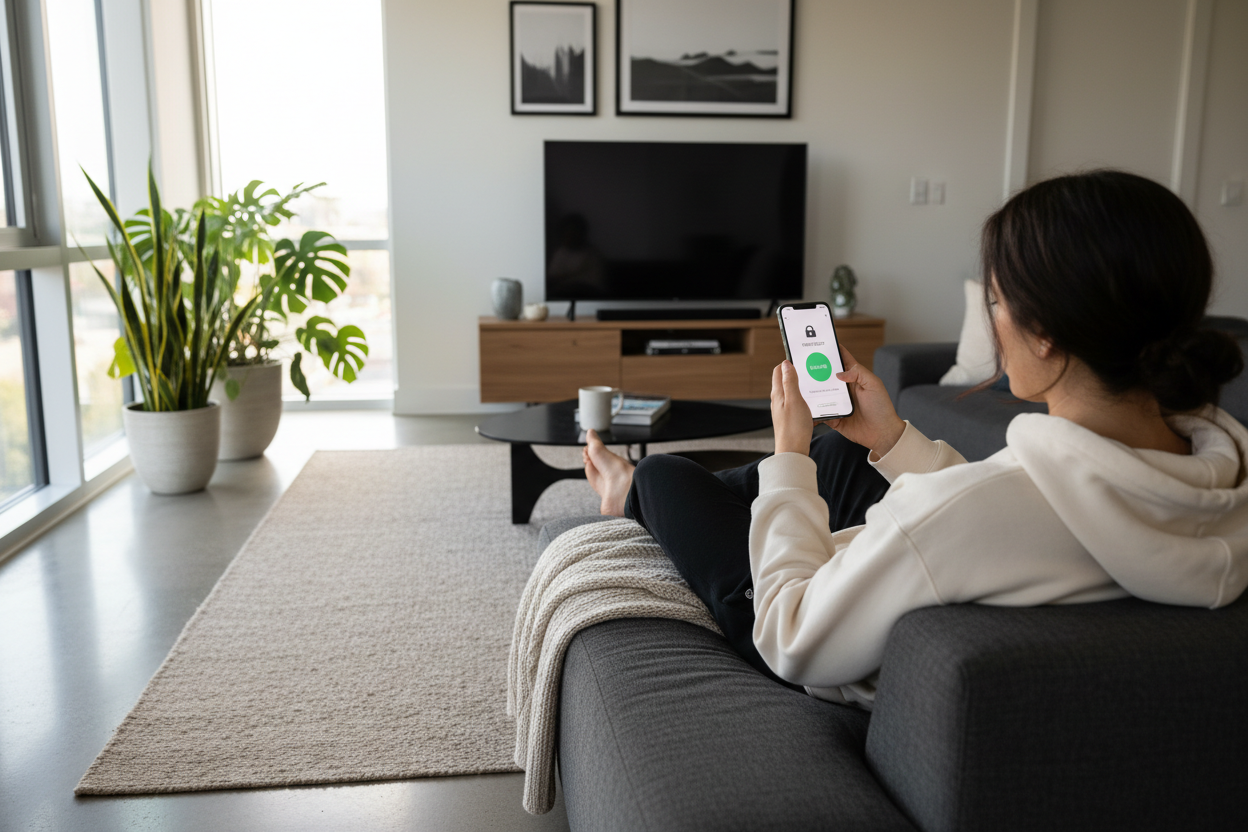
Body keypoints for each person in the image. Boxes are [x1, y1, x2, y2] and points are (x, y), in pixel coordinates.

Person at [582, 170, 1248, 706]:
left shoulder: (955, 517)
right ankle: (735, 496)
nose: (994, 320)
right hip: (906, 562)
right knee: (844, 448)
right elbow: (1018, 505)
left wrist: (786, 455)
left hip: (803, 623)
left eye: (995, 299)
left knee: (665, 475)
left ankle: (628, 494)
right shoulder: (1223, 483)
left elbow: (792, 636)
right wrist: (894, 439)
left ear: (1043, 332)